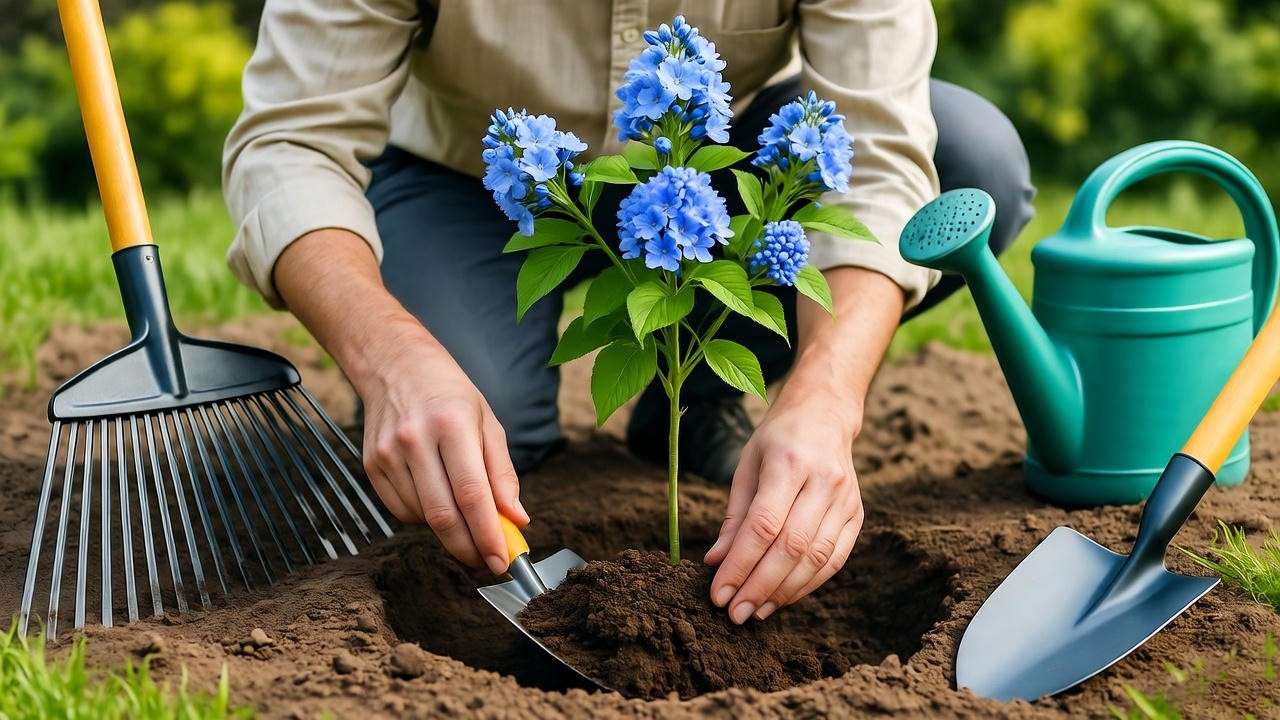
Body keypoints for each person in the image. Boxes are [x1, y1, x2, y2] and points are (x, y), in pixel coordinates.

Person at [222, 1, 1034, 625]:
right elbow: (289, 142)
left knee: (970, 159)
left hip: (714, 169)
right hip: (474, 177)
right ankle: (434, 387)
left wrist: (828, 401)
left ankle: (691, 393)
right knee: (475, 432)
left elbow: (884, 162)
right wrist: (391, 357)